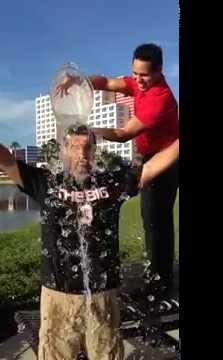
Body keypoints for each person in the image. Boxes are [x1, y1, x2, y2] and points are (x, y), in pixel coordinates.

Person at [0, 121, 177, 360]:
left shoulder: (111, 183)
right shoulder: (45, 182)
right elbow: (2, 157)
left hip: (103, 294)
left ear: (94, 152)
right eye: (74, 147)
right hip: (58, 295)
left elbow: (152, 166)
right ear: (64, 150)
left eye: (87, 148)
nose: (81, 154)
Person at [56, 43, 179, 297]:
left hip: (166, 159)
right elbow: (106, 82)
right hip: (146, 155)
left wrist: (87, 133)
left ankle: (161, 282)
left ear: (158, 72)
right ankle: (157, 273)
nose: (137, 79)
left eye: (143, 75)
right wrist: (78, 81)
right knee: (151, 219)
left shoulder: (160, 99)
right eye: (134, 73)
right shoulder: (138, 82)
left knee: (157, 220)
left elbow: (123, 134)